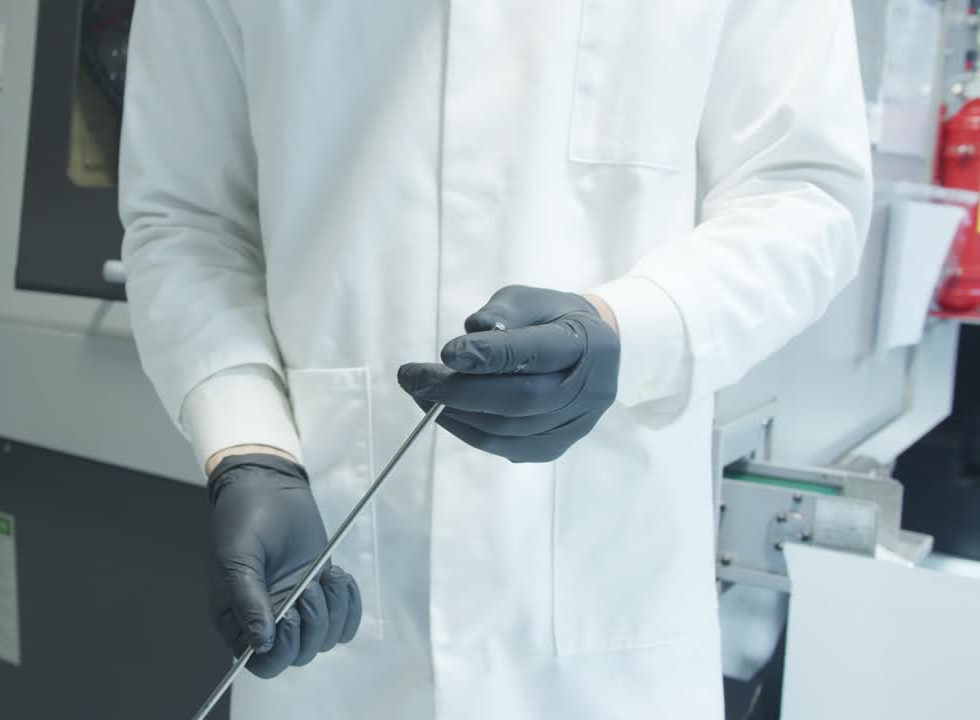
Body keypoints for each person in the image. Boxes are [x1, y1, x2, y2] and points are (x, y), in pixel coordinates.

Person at [119, 2, 872, 718]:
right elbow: (185, 221)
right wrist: (248, 443)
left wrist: (635, 334)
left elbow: (805, 193)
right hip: (338, 644)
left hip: (602, 633)